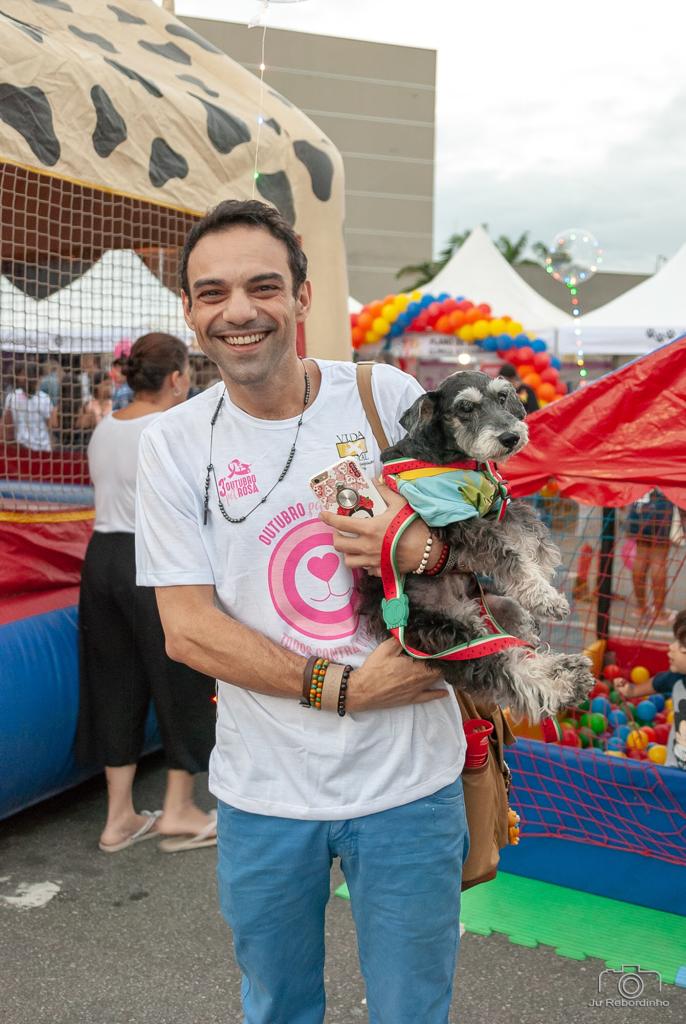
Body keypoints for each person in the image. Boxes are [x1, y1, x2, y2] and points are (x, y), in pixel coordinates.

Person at [135, 199, 468, 1024]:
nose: (238, 311)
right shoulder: (174, 444)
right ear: (189, 311)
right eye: (212, 293)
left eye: (262, 286)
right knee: (278, 1007)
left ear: (303, 297)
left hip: (410, 787)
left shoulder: (381, 399)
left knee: (412, 1010)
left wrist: (418, 549)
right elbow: (187, 628)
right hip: (265, 795)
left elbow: (491, 547)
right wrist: (347, 689)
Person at [76, 332, 218, 854]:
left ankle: (119, 817)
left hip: (102, 559)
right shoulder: (171, 429)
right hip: (153, 560)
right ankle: (177, 809)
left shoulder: (107, 426)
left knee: (114, 682)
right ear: (178, 377)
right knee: (183, 676)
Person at [616, 610, 686, 769]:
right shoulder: (674, 680)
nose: (671, 647)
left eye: (681, 646)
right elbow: (650, 685)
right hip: (673, 771)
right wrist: (628, 690)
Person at [626, 489, 675, 624]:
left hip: (639, 502)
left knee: (640, 556)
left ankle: (641, 608)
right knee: (658, 559)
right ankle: (659, 613)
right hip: (661, 503)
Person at [1, 359, 57, 451]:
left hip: (22, 448)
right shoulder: (44, 398)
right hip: (42, 448)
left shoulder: (11, 397)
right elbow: (51, 425)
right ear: (37, 377)